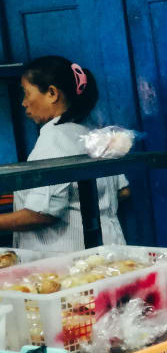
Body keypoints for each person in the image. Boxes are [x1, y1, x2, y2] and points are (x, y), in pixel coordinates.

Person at [0, 56, 128, 250]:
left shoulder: (55, 137)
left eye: (26, 93)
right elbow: (124, 191)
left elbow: (42, 214)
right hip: (110, 247)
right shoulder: (92, 132)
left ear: (52, 93)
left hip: (72, 260)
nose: (24, 103)